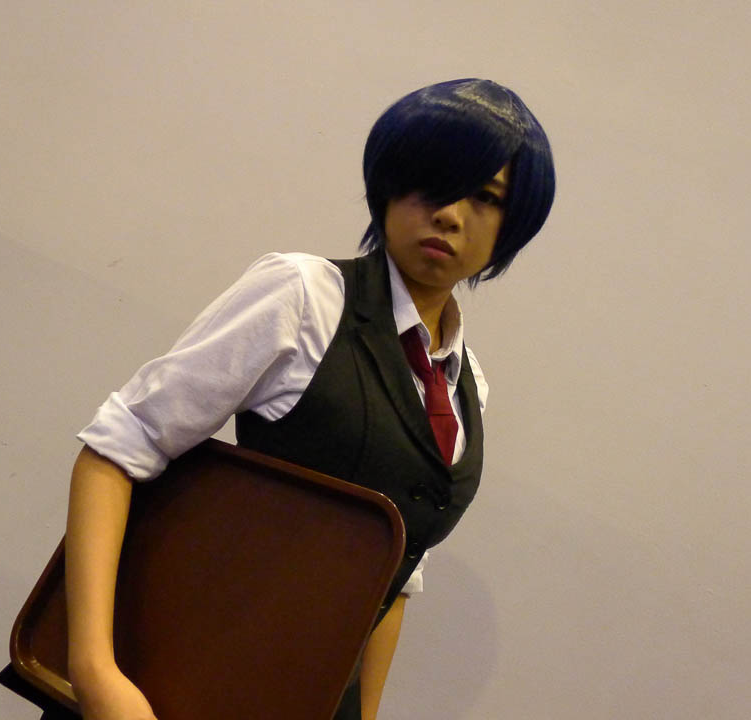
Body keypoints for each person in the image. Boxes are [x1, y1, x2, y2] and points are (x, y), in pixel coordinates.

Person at [63, 78, 555, 720]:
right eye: (434, 183)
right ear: (389, 183)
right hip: (179, 679)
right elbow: (119, 446)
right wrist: (96, 672)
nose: (451, 214)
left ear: (512, 226)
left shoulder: (466, 386)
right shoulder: (304, 297)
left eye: (486, 198)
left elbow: (396, 574)